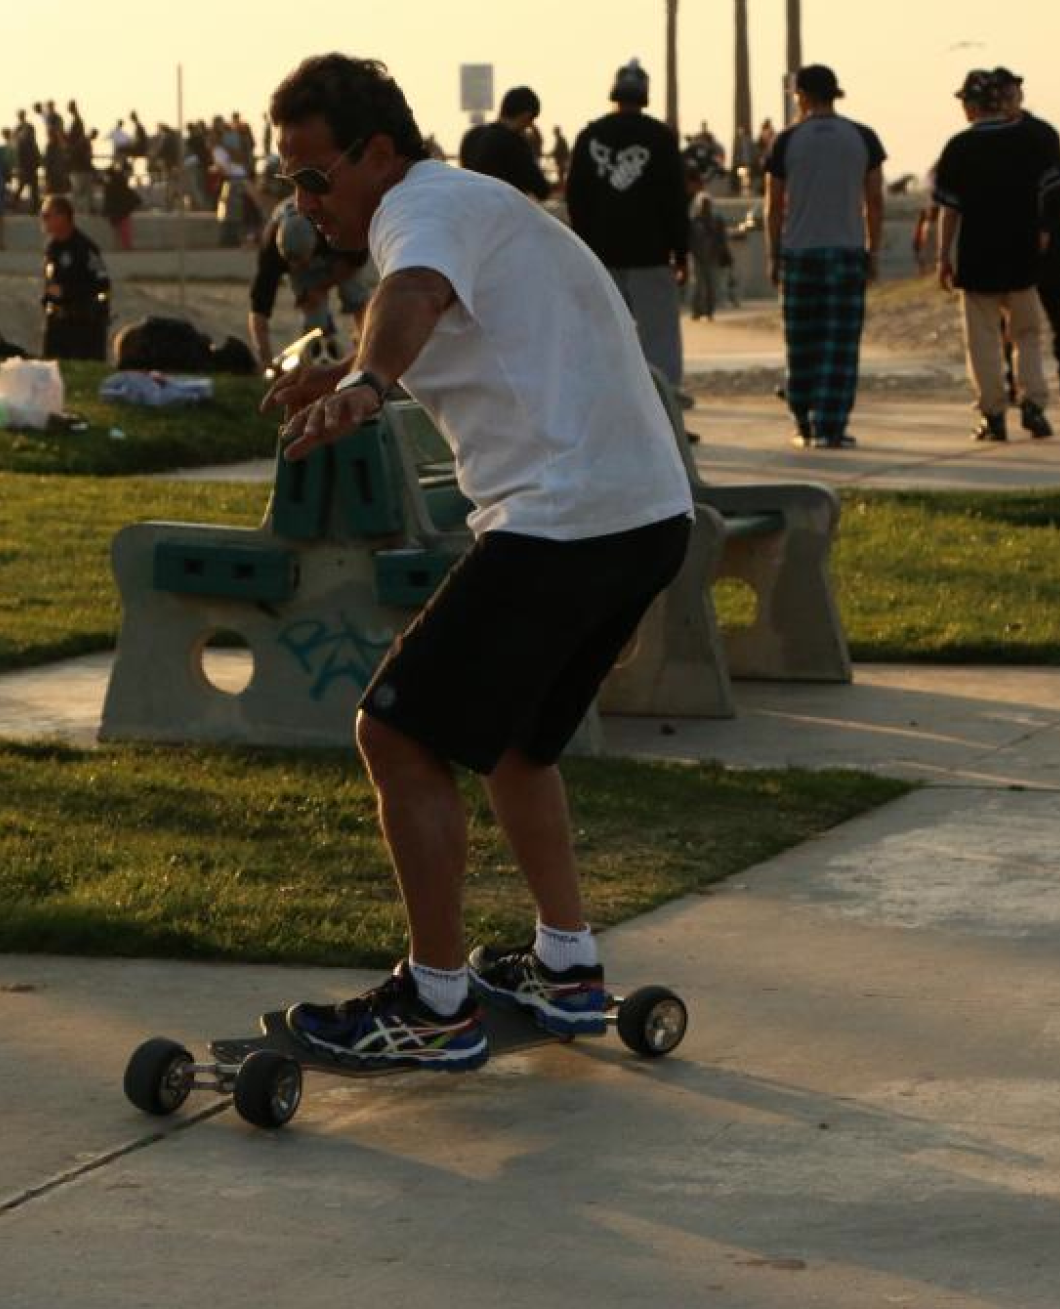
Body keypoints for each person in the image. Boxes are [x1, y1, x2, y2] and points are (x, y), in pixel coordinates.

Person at [261, 53, 693, 1069]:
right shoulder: (474, 206)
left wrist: (367, 383)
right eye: (289, 181)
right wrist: (353, 368)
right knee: (515, 744)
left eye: (314, 176)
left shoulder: (419, 209)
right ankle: (566, 963)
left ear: (377, 153)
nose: (304, 202)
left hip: (564, 521)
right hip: (644, 515)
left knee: (394, 732)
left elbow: (412, 294)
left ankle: (434, 1000)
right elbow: (469, 326)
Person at [764, 63, 886, 449]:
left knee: (801, 343)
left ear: (801, 96)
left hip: (799, 252)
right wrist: (873, 250)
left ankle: (803, 421)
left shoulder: (787, 140)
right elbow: (874, 200)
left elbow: (773, 205)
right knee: (840, 344)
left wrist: (773, 254)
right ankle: (831, 425)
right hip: (847, 250)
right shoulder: (863, 137)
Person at [934, 70, 1058, 443]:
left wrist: (943, 256)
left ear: (972, 107)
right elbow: (1049, 194)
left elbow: (949, 210)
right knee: (1027, 333)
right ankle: (1033, 401)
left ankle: (993, 413)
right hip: (1021, 253)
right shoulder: (1030, 141)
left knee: (983, 340)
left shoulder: (959, 147)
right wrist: (1043, 231)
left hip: (977, 257)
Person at [567, 59, 690, 398]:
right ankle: (664, 399)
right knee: (659, 337)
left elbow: (576, 198)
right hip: (651, 254)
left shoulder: (590, 136)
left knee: (603, 333)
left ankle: (604, 397)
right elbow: (675, 200)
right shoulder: (661, 137)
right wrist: (681, 252)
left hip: (601, 255)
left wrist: (583, 247)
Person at [992, 68, 1060, 407]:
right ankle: (1013, 382)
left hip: (1049, 243)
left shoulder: (1043, 134)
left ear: (1020, 95)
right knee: (1009, 319)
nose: (1006, 103)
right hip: (1008, 243)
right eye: (1000, 97)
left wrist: (1044, 227)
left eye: (1011, 95)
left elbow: (1056, 185)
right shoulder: (990, 137)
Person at [247, 196, 372, 366]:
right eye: (294, 263)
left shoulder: (336, 222)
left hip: (338, 253)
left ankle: (368, 349)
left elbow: (355, 263)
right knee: (314, 317)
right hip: (314, 250)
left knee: (355, 295)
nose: (301, 266)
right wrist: (266, 362)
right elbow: (258, 311)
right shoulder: (271, 249)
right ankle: (320, 358)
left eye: (303, 261)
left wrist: (321, 287)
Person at [39, 194, 110, 359]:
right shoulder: (52, 248)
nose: (43, 221)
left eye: (48, 216)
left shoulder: (86, 249)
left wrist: (67, 292)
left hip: (83, 326)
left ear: (63, 217)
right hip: (57, 325)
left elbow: (102, 285)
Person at [460, 86, 551, 200]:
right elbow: (541, 190)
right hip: (502, 208)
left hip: (472, 205)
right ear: (526, 115)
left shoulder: (471, 136)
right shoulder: (514, 143)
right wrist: (536, 151)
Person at [686, 168, 728, 320]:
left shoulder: (717, 221)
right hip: (697, 257)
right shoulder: (694, 222)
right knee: (698, 285)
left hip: (712, 257)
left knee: (711, 285)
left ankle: (709, 311)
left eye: (707, 204)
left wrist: (723, 253)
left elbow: (722, 239)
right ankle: (696, 310)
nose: (705, 207)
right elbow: (689, 240)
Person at [102, 163, 141, 251]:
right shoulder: (120, 182)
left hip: (114, 211)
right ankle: (126, 245)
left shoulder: (109, 185)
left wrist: (105, 211)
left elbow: (108, 200)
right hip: (123, 210)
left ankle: (118, 246)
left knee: (117, 229)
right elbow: (128, 194)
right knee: (125, 228)